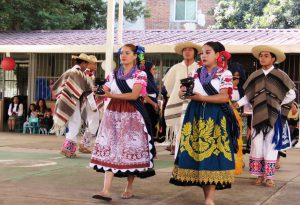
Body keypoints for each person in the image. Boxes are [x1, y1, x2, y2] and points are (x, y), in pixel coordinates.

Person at [170, 41, 238, 205]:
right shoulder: (195, 72)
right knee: (198, 155)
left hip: (215, 117)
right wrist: (182, 93)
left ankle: (210, 198)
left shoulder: (225, 73)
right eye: (202, 53)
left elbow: (224, 97)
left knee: (213, 156)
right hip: (194, 116)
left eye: (208, 52)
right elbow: (185, 94)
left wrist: (202, 98)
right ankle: (206, 195)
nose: (204, 55)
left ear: (217, 55)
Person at [90, 44, 155, 201]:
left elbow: (134, 96)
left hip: (133, 113)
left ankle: (129, 187)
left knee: (129, 148)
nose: (123, 56)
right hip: (113, 114)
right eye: (121, 53)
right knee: (111, 147)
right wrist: (97, 90)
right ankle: (105, 190)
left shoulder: (140, 75)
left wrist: (109, 95)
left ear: (135, 56)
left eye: (127, 53)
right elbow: (104, 90)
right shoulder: (113, 74)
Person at [233, 45, 296, 187]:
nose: (262, 58)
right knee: (257, 144)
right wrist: (237, 104)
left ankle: (269, 177)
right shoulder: (255, 76)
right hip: (257, 116)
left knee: (271, 145)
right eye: (261, 56)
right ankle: (259, 175)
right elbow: (248, 96)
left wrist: (277, 102)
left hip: (274, 116)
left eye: (266, 56)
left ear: (273, 58)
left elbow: (292, 93)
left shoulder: (281, 75)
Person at [50, 53, 93, 158]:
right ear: (82, 63)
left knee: (74, 124)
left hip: (66, 100)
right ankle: (67, 148)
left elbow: (56, 86)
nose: (87, 65)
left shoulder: (70, 71)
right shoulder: (77, 73)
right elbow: (87, 89)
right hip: (71, 100)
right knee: (75, 123)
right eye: (86, 63)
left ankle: (70, 149)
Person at [163, 41, 201, 155]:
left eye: (190, 50)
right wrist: (176, 94)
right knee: (179, 132)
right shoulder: (176, 68)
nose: (187, 52)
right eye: (185, 50)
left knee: (195, 132)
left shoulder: (199, 67)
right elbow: (168, 85)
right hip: (177, 102)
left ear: (195, 53)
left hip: (195, 102)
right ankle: (178, 160)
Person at [78, 55, 103, 154]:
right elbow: (88, 90)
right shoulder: (87, 73)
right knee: (93, 122)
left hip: (89, 99)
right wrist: (93, 104)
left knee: (93, 123)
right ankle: (83, 144)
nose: (96, 65)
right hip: (89, 100)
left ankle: (84, 144)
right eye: (94, 63)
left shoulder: (89, 73)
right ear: (89, 64)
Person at [143, 61, 160, 143]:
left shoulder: (150, 79)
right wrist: (153, 103)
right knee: (148, 127)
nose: (155, 71)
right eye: (153, 69)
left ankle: (151, 148)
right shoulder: (144, 79)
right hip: (147, 105)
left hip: (152, 105)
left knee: (152, 127)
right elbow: (143, 94)